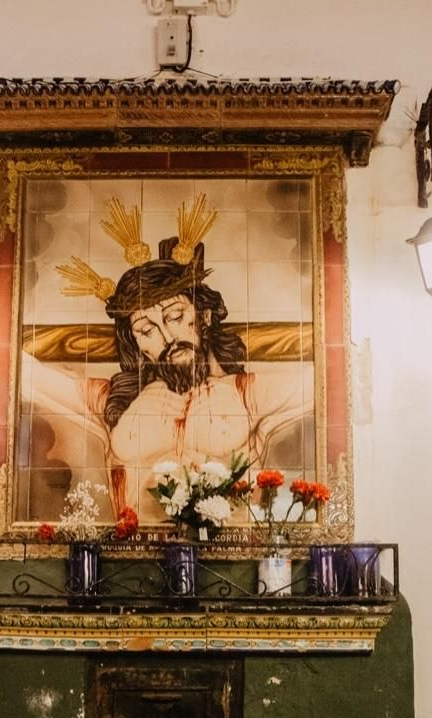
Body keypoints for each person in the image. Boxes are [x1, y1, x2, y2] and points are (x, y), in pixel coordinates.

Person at [39, 194, 312, 519]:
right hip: (130, 559)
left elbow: (328, 384)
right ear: (137, 345)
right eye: (146, 329)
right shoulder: (116, 400)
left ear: (205, 316)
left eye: (174, 316)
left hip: (229, 561)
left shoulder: (246, 394)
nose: (168, 337)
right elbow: (26, 377)